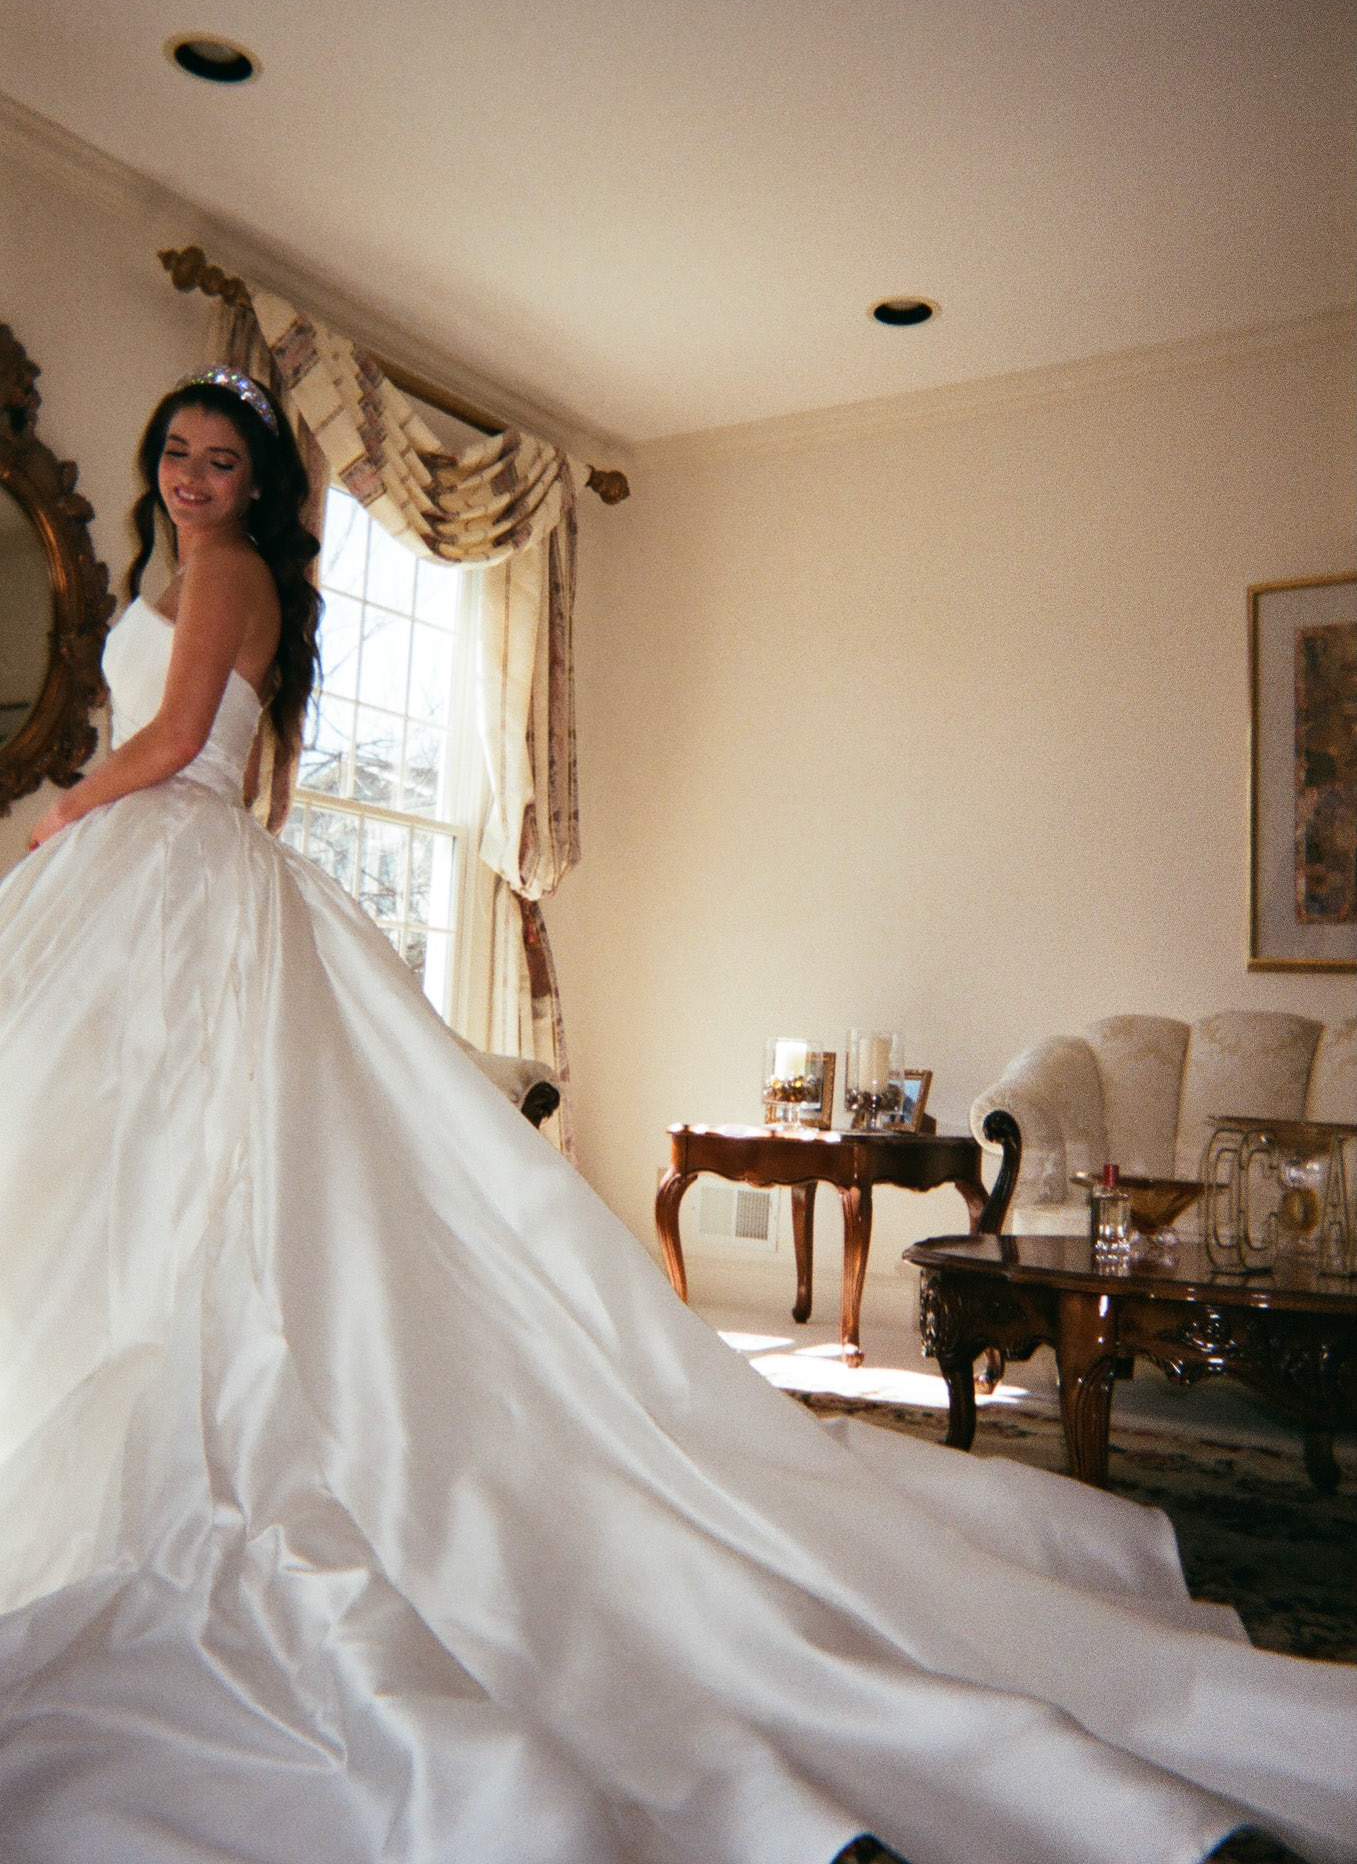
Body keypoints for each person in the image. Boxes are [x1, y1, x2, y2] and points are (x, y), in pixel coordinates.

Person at [0, 369, 1350, 1864]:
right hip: (180, 873)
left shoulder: (224, 574)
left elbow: (175, 739)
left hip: (163, 854)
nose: (193, 476)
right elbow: (241, 769)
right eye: (176, 454)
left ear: (255, 482)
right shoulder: (201, 572)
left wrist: (63, 816)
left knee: (186, 1167)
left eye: (219, 458)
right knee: (162, 1166)